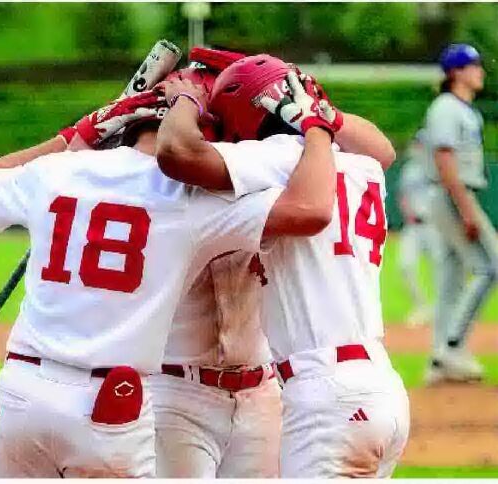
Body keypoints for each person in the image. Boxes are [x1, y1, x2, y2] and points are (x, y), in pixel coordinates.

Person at [0, 79, 339, 477]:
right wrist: (316, 127)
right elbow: (309, 210)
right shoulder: (188, 197)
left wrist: (82, 131)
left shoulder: (60, 169)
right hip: (106, 405)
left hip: (21, 390)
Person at [156, 54, 409, 478]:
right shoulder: (361, 166)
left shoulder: (277, 160)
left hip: (324, 395)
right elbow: (382, 148)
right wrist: (309, 108)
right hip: (380, 388)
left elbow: (179, 154)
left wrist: (186, 101)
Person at [422, 43, 497, 384]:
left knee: (452, 279)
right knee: (489, 266)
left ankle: (440, 361)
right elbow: (444, 160)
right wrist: (467, 211)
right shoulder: (446, 108)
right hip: (454, 194)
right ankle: (452, 346)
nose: (480, 70)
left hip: (454, 195)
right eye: (473, 65)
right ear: (456, 72)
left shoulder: (463, 109)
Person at [397, 129, 439, 326]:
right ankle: (422, 307)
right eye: (418, 143)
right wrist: (407, 212)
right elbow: (402, 195)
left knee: (440, 270)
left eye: (422, 143)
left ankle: (443, 310)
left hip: (434, 227)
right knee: (405, 266)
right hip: (413, 226)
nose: (418, 146)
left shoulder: (437, 167)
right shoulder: (410, 168)